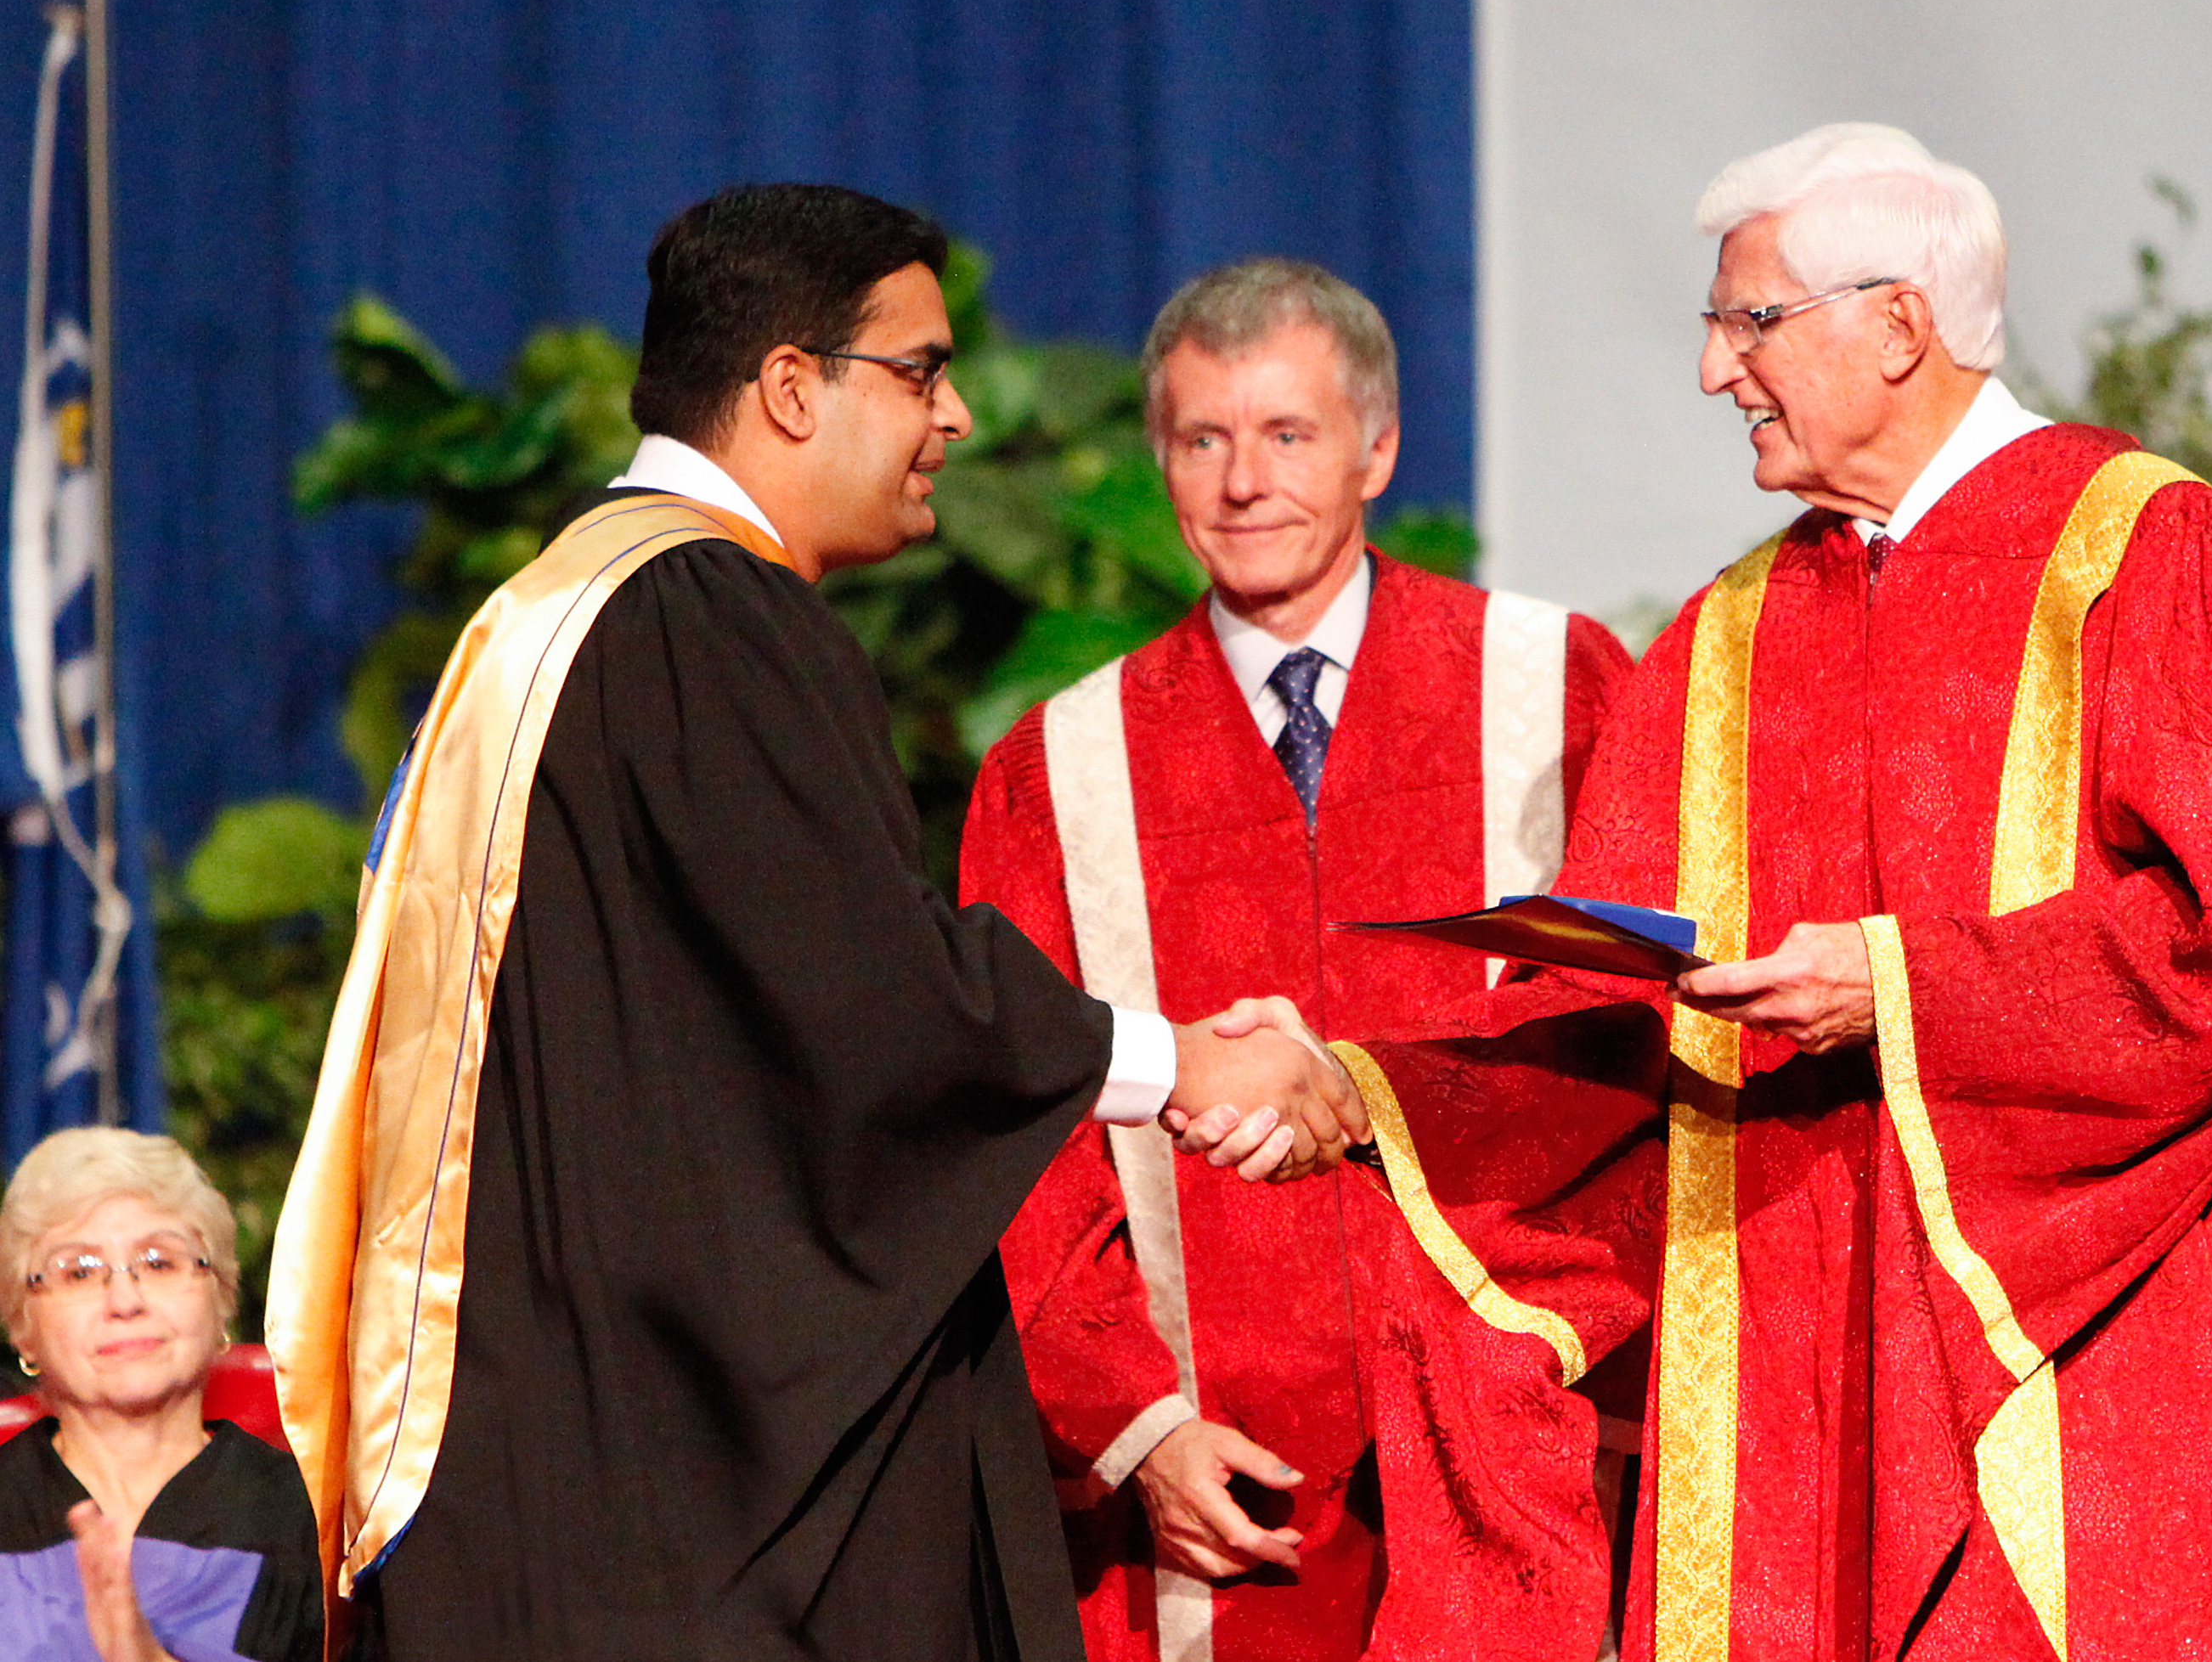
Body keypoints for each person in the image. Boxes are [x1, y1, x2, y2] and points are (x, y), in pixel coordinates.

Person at [1182, 124, 2212, 1661]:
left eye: (1747, 321)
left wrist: (1899, 985)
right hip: (1797, 1384)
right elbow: (1606, 1026)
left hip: (2095, 1370)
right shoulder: (1728, 640)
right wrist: (1358, 1091)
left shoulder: (2144, 554)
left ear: (1901, 324)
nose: (1714, 372)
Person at [263, 184, 1359, 1662]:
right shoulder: (708, 618)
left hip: (553, 1446)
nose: (956, 418)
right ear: (791, 386)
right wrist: (1189, 1068)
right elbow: (871, 1010)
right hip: (668, 1498)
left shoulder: (547, 611)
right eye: (920, 369)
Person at [963, 258, 1631, 1662]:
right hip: (1220, 1479)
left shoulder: (1554, 686)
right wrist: (1134, 1423)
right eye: (1203, 439)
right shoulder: (1058, 771)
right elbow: (1024, 1126)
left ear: (1377, 447)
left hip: (1516, 1424)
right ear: (1161, 461)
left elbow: (1634, 1040)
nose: (1242, 481)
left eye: (1287, 434)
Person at [0, 1127, 324, 1662]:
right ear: (22, 1324)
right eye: (78, 1272)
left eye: (159, 1262)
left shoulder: (313, 1523)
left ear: (221, 1297)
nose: (125, 1300)